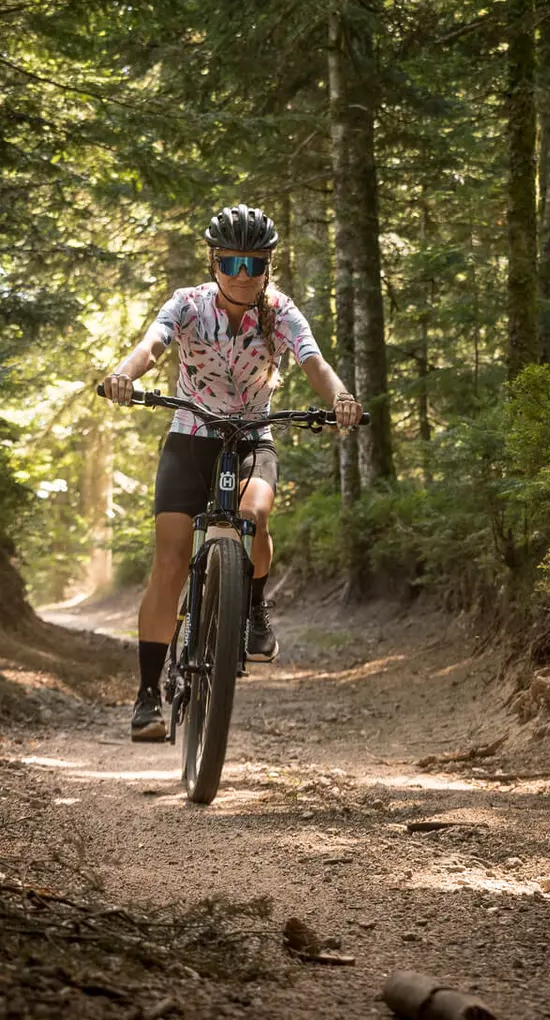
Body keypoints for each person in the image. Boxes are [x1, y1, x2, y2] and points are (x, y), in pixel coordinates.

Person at [101, 204, 362, 741]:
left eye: (254, 263)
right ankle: (148, 695)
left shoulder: (281, 312)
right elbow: (152, 344)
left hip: (253, 435)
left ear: (268, 267)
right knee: (171, 559)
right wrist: (124, 374)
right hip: (191, 437)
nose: (242, 274)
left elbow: (313, 362)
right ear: (214, 262)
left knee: (254, 514)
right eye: (231, 262)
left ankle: (254, 611)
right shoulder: (187, 304)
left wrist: (339, 398)